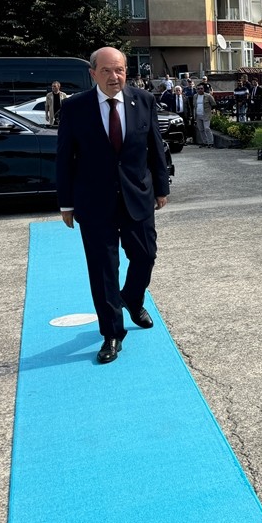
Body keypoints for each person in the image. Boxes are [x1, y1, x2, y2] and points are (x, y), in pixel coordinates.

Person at [56, 47, 171, 364]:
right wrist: (65, 203)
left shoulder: (143, 101)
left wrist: (162, 187)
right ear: (92, 73)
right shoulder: (76, 108)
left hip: (138, 196)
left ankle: (132, 298)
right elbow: (65, 157)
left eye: (119, 70)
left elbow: (155, 148)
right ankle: (111, 333)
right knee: (103, 269)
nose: (114, 76)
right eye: (106, 70)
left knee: (145, 255)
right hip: (94, 201)